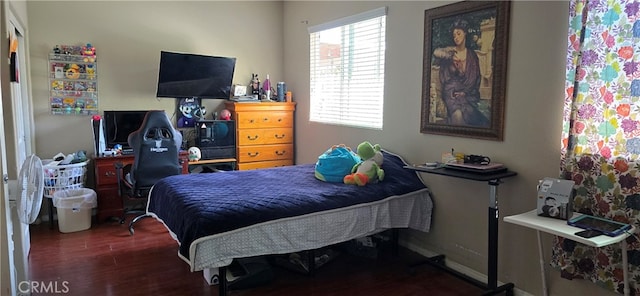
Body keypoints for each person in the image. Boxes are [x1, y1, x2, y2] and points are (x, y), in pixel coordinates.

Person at [432, 18, 489, 127]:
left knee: (476, 116)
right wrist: (449, 56)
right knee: (457, 115)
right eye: (454, 35)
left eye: (458, 34)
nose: (456, 37)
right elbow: (435, 52)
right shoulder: (450, 51)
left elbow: (475, 79)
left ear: (465, 33)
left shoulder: (472, 56)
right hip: (451, 92)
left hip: (467, 93)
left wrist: (465, 92)